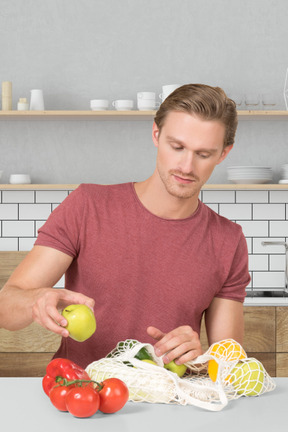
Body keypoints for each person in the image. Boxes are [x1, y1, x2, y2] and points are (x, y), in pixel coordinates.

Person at [0, 84, 250, 369]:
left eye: (204, 154)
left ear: (224, 154)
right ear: (156, 134)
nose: (187, 166)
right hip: (82, 397)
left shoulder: (227, 240)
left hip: (171, 402)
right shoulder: (87, 206)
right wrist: (38, 299)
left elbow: (230, 365)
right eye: (177, 147)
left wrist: (200, 357)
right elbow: (6, 309)